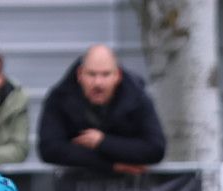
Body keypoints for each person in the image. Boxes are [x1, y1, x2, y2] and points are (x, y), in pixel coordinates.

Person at [36, 44, 166, 174]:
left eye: (105, 74)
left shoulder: (136, 97)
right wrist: (112, 165)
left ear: (118, 75)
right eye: (92, 74)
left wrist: (102, 142)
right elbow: (49, 149)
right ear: (80, 74)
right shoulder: (60, 97)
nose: (98, 83)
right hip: (71, 190)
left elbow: (155, 148)